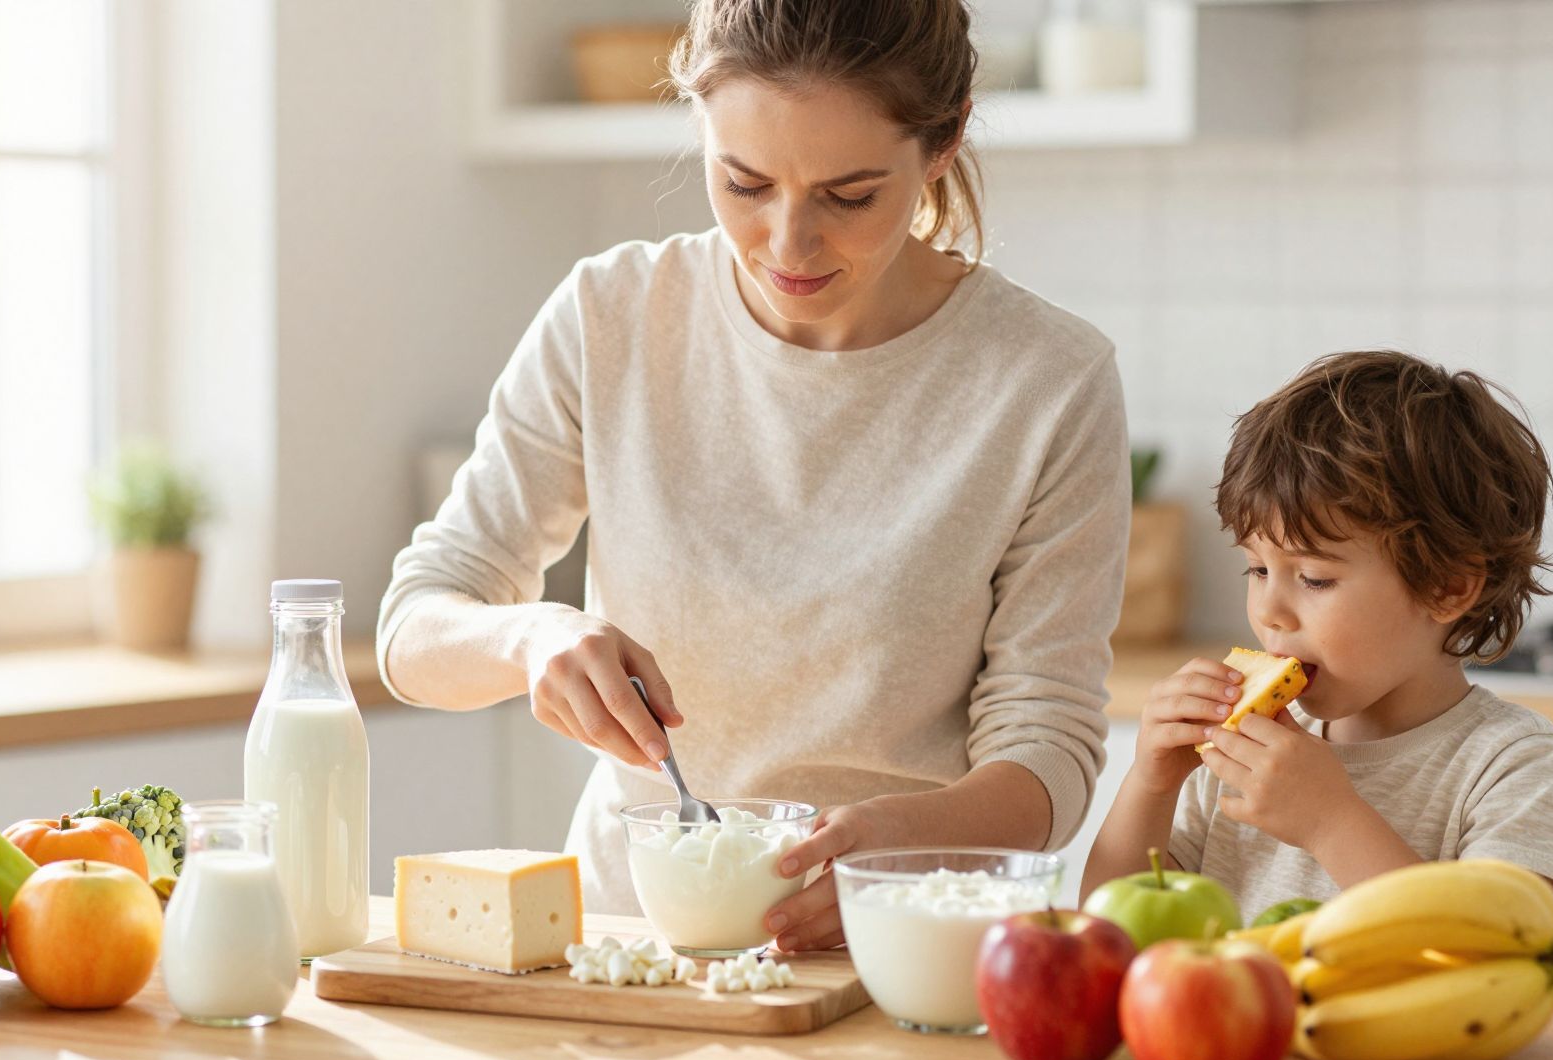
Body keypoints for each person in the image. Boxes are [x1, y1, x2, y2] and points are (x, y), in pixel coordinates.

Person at [378, 0, 1130, 950]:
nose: (788, 244)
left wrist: (895, 844)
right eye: (743, 182)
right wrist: (530, 637)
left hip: (898, 950)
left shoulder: (1047, 379)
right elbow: (414, 626)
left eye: (849, 196)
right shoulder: (611, 317)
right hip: (631, 954)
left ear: (944, 142)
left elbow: (1048, 752)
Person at [1081, 350, 1553, 923]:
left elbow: (1505, 949)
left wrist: (1331, 822)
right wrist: (1151, 784)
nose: (1269, 610)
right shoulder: (1234, 755)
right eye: (1258, 569)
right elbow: (1105, 934)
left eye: (1315, 578)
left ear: (1447, 587)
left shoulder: (1509, 761)